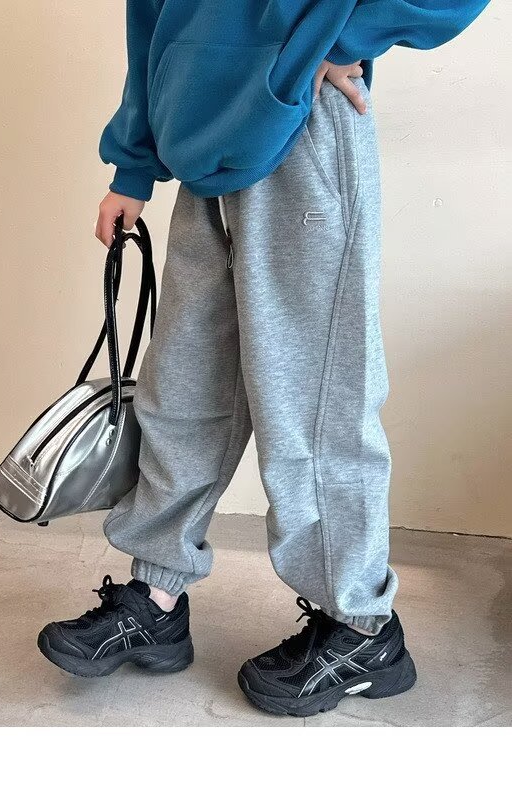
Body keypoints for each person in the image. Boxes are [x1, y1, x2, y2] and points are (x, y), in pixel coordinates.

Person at [37, 0, 488, 717]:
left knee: (316, 401)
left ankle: (361, 627)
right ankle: (156, 595)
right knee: (182, 393)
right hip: (201, 145)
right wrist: (133, 165)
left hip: (303, 132)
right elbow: (153, 20)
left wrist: (336, 40)